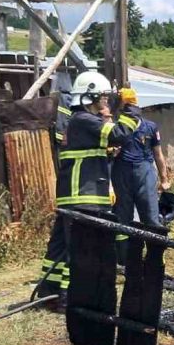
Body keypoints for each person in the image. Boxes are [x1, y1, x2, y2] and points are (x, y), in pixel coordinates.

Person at [37, 72, 142, 300]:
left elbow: (102, 144)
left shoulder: (79, 122)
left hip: (74, 195)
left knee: (60, 247)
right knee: (80, 249)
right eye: (103, 97)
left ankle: (50, 289)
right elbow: (119, 133)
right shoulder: (84, 120)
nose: (106, 101)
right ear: (89, 96)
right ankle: (69, 297)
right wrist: (131, 107)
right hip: (82, 196)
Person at [112, 88, 170, 254]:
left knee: (150, 215)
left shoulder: (150, 127)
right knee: (123, 216)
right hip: (121, 172)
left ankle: (155, 257)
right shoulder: (116, 129)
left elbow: (158, 154)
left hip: (144, 172)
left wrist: (164, 179)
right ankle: (124, 258)